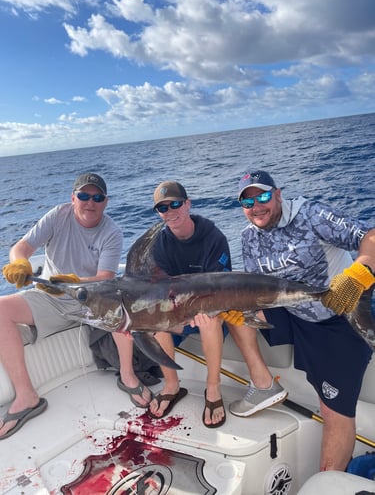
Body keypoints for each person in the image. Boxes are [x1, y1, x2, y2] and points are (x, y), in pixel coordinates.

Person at [227, 169, 375, 472]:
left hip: (336, 314)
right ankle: (264, 385)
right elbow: (256, 287)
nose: (257, 207)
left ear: (278, 194)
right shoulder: (248, 237)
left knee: (333, 411)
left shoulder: (312, 214)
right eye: (248, 202)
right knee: (230, 312)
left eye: (263, 196)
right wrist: (243, 310)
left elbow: (370, 236)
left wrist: (361, 271)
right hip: (290, 311)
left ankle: (330, 480)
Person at [0, 173, 151, 439]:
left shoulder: (112, 232)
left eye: (97, 197)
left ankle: (128, 376)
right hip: (50, 298)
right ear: (73, 198)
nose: (89, 202)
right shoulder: (58, 215)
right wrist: (20, 262)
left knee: (120, 305)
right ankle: (26, 396)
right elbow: (21, 247)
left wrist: (72, 282)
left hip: (91, 299)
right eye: (83, 196)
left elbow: (105, 279)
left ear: (105, 202)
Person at [147, 181, 239, 428]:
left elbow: (220, 291)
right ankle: (172, 385)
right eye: (163, 208)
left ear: (187, 204)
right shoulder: (159, 244)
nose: (170, 211)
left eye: (175, 204)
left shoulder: (213, 237)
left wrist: (195, 312)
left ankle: (213, 389)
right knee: (155, 323)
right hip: (178, 311)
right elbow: (160, 290)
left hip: (212, 309)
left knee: (209, 320)